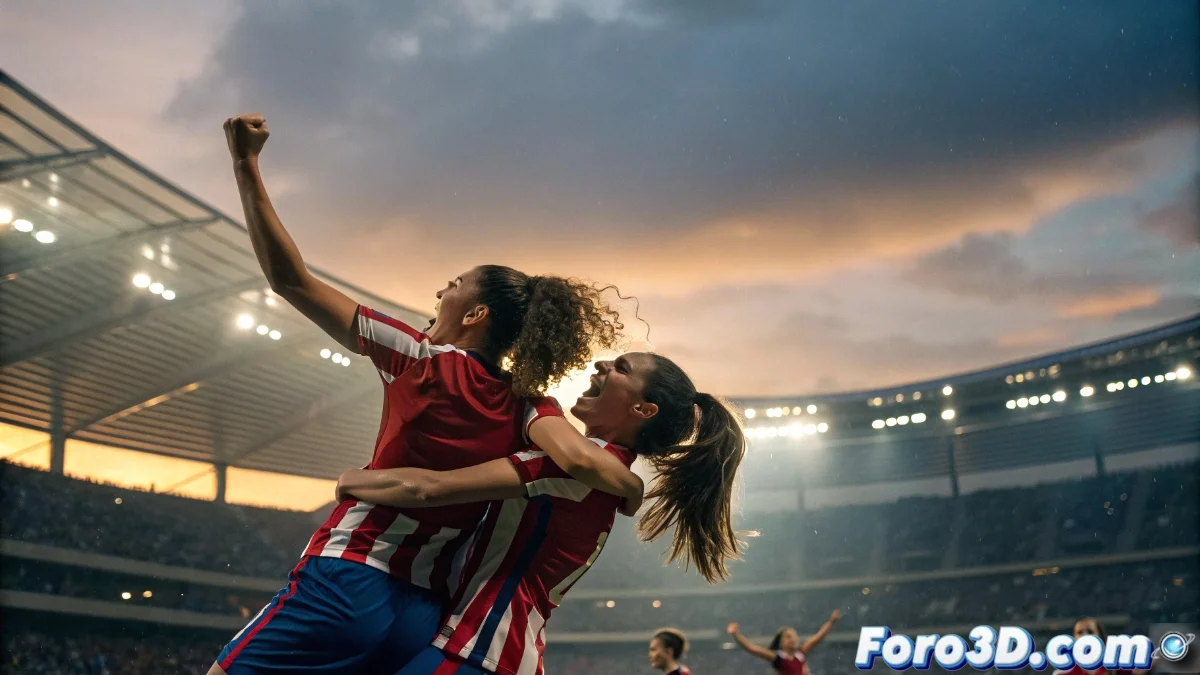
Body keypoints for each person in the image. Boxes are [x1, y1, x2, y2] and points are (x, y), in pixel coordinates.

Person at [212, 115, 641, 675]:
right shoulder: (530, 405)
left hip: (350, 570)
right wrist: (630, 483)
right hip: (424, 613)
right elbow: (578, 458)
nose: (441, 290)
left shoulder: (418, 355)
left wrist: (245, 163)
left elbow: (290, 279)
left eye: (455, 284)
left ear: (476, 314)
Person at [336, 352, 747, 675]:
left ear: (643, 409)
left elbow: (429, 489)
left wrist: (353, 481)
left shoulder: (575, 466)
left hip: (480, 648)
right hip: (490, 649)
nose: (602, 364)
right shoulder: (605, 471)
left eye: (621, 368)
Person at [727, 610, 842, 675]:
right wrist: (736, 634)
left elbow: (818, 638)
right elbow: (752, 648)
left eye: (795, 636)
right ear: (781, 643)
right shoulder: (778, 657)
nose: (793, 639)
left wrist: (831, 621)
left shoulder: (800, 653)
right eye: (788, 637)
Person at [1052, 617, 1157, 675]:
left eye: (1090, 631)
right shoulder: (1064, 672)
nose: (1084, 635)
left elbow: (1140, 671)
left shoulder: (1114, 664)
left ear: (1100, 636)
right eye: (1080, 632)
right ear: (1074, 637)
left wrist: (1161, 652)